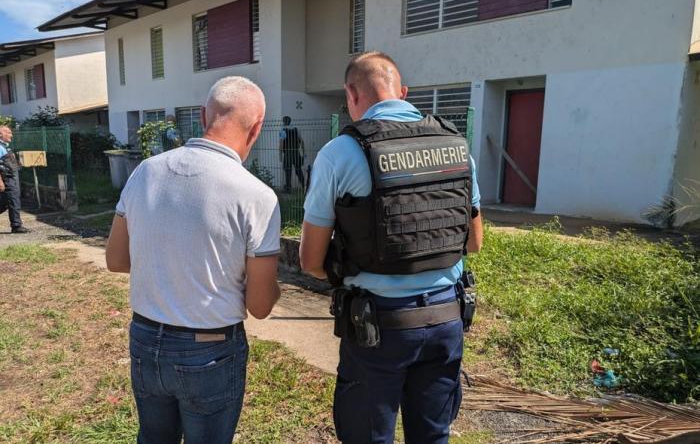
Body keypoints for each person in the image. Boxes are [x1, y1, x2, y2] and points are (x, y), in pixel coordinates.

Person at [300, 52, 484, 444]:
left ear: (351, 94)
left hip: (377, 329)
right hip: (446, 319)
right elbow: (474, 241)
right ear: (404, 93)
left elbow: (310, 260)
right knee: (433, 436)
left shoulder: (339, 153)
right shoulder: (455, 146)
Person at [105, 76, 282, 444]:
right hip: (210, 350)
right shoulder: (257, 196)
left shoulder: (145, 172)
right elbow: (260, 306)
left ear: (203, 115)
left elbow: (116, 259)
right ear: (258, 128)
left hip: (144, 339)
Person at [0, 125, 29, 233]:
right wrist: (0, 182)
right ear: (0, 134)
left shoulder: (5, 146)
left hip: (11, 178)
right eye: (8, 132)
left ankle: (16, 225)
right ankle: (16, 226)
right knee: (13, 201)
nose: (11, 135)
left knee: (6, 203)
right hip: (7, 179)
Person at [278, 116, 305, 193]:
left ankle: (288, 189)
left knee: (288, 171)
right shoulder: (296, 130)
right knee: (298, 170)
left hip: (288, 154)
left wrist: (280, 155)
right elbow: (302, 142)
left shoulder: (283, 130)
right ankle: (304, 186)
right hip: (296, 152)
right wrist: (303, 152)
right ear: (290, 121)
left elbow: (281, 144)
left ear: (284, 122)